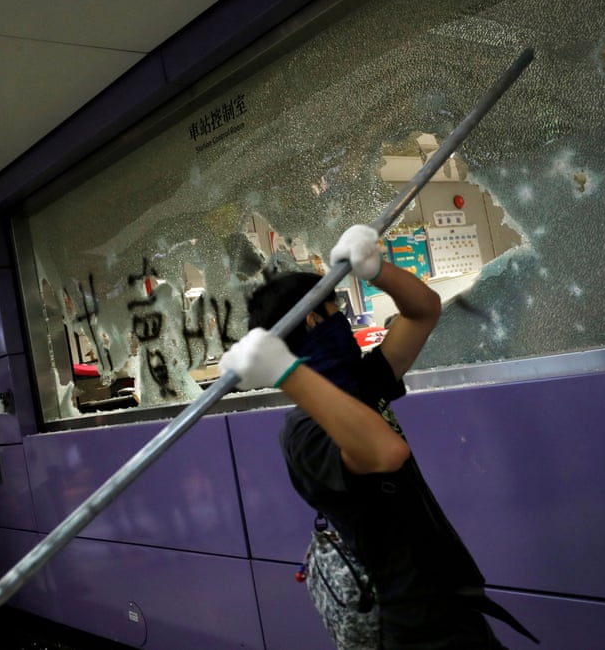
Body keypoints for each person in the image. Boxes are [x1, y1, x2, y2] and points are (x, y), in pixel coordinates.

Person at [220, 225, 538, 649]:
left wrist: (377, 270)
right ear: (314, 319)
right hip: (411, 625)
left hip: (450, 604)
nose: (346, 322)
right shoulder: (305, 431)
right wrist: (287, 375)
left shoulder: (359, 383)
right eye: (337, 310)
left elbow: (423, 311)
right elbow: (387, 451)